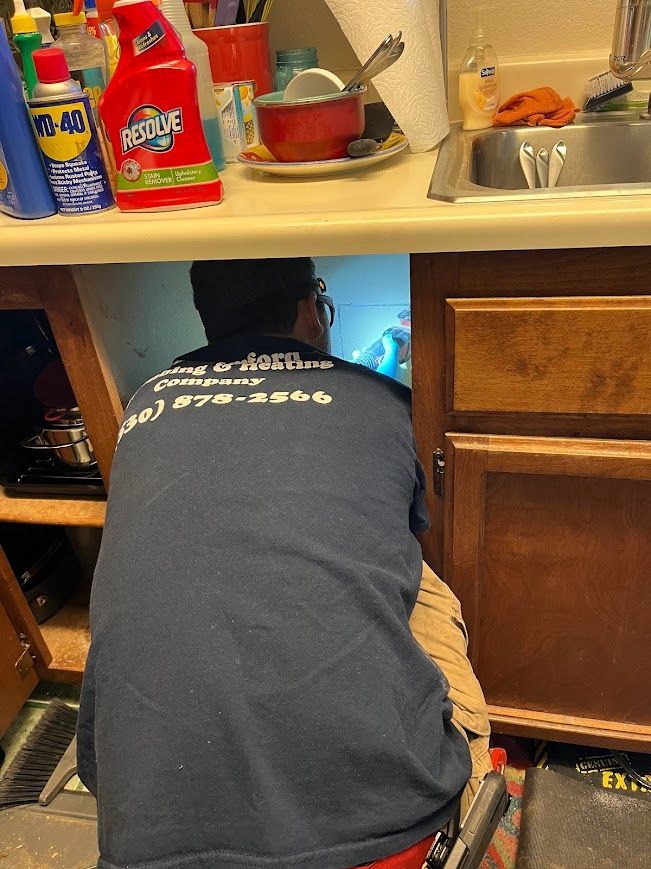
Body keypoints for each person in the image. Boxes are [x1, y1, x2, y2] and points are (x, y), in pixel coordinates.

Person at [77, 258, 491, 869]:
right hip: (388, 833)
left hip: (146, 844)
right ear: (308, 311)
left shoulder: (144, 403)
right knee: (424, 583)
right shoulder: (383, 400)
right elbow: (401, 530)